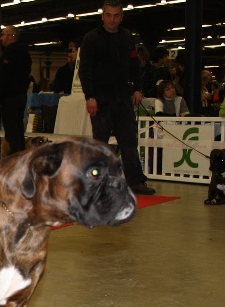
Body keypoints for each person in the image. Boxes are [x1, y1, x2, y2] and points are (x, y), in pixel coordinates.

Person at [78, 0, 155, 195]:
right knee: (100, 144)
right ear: (102, 16)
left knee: (129, 142)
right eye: (108, 15)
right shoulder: (91, 38)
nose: (112, 20)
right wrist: (90, 97)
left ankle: (135, 181)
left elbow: (135, 65)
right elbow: (84, 71)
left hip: (123, 97)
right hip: (100, 99)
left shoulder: (128, 37)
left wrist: (138, 88)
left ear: (121, 17)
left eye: (116, 16)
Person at [0, 25, 32, 155]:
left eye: (3, 34)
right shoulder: (25, 53)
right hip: (21, 96)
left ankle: (15, 158)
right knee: (18, 129)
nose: (1, 38)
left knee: (11, 131)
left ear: (11, 36)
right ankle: (19, 155)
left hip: (10, 98)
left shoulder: (9, 53)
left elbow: (4, 78)